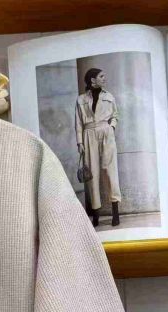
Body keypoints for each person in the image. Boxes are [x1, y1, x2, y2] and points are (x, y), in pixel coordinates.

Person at [75, 68, 122, 227]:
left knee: (110, 170)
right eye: (101, 76)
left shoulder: (109, 96)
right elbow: (78, 123)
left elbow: (115, 115)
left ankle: (115, 213)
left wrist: (112, 127)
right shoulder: (80, 99)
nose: (104, 78)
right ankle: (95, 215)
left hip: (106, 132)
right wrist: (80, 142)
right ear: (92, 80)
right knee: (92, 174)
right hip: (88, 134)